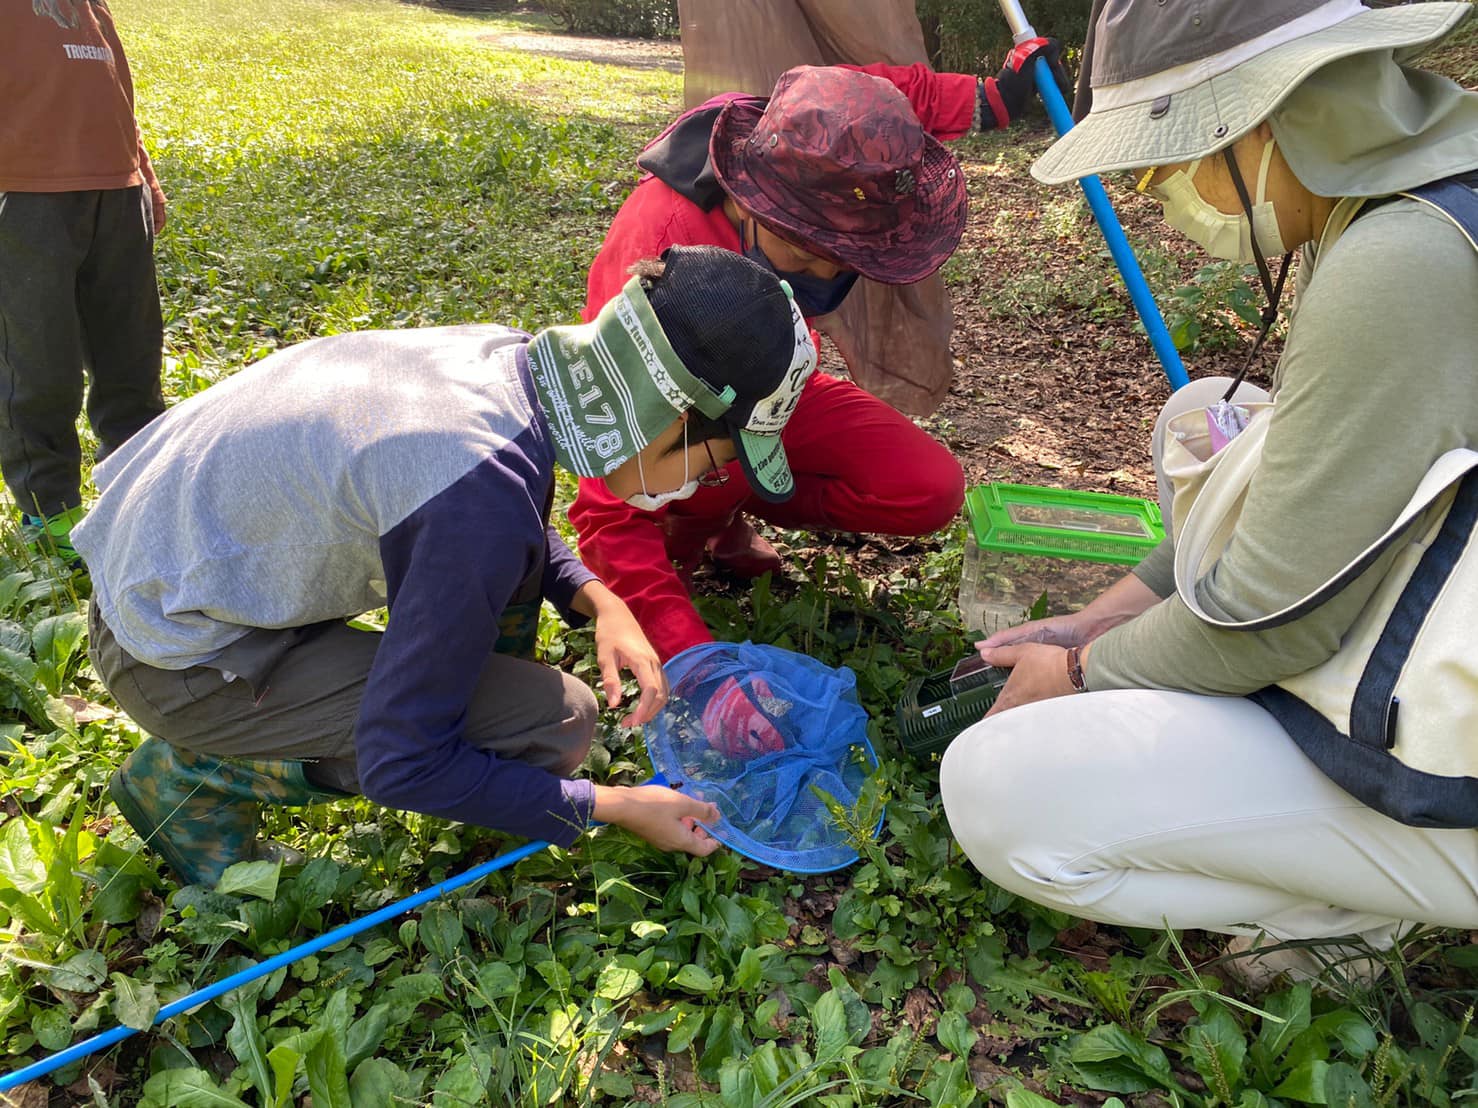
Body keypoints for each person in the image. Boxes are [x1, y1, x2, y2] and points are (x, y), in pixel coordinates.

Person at [939, 0, 1478, 988]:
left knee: (996, 791)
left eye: (1161, 163)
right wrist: (1098, 621)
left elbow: (1267, 622)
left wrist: (1075, 676)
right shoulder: (1407, 203)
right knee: (1205, 415)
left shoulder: (1397, 264)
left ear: (1259, 120)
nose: (1159, 194)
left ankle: (1349, 903)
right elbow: (1307, 496)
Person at [73, 245, 818, 888]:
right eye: (716, 460)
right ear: (677, 416)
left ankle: (467, 751)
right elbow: (404, 759)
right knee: (554, 723)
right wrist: (614, 806)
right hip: (172, 656)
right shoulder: (478, 499)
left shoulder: (506, 363)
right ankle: (192, 778)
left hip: (171, 575)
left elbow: (487, 509)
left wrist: (598, 597)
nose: (703, 482)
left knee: (505, 666)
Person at [570, 53, 1065, 671]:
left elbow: (879, 99)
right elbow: (607, 502)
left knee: (928, 490)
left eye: (845, 259)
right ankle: (695, 520)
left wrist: (983, 97)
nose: (823, 276)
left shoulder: (800, 133)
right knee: (689, 478)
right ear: (749, 203)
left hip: (776, 390)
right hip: (690, 412)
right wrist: (695, 664)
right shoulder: (658, 261)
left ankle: (727, 498)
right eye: (806, 253)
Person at [0, 0, 169, 561]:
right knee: (38, 361)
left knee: (133, 354)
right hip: (22, 192)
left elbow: (115, 86)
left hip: (117, 190)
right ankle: (48, 511)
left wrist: (143, 173)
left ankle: (139, 485)